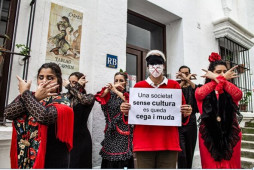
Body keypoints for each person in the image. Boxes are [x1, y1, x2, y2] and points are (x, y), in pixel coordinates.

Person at [120, 50, 192, 169]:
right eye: (152, 63)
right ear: (147, 67)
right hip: (144, 143)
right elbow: (131, 116)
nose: (155, 67)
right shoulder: (138, 87)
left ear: (163, 66)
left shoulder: (174, 86)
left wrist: (186, 112)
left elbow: (182, 115)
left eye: (159, 63)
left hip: (168, 142)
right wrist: (126, 111)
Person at [4, 62, 74, 169]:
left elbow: (44, 116)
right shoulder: (31, 97)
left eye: (50, 78)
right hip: (25, 157)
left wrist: (25, 94)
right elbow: (8, 113)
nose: (44, 81)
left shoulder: (62, 101)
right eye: (41, 77)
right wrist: (34, 97)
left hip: (51, 159)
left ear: (58, 81)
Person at [195, 52, 242, 169]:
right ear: (210, 74)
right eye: (218, 72)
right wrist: (219, 79)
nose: (223, 74)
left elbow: (238, 95)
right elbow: (199, 94)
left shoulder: (231, 90)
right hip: (208, 136)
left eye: (224, 72)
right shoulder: (203, 90)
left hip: (231, 135)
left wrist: (220, 79)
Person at [95, 72, 134, 169]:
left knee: (122, 158)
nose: (118, 82)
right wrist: (109, 88)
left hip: (123, 131)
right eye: (116, 80)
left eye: (121, 80)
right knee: (109, 157)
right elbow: (99, 97)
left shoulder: (128, 94)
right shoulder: (110, 95)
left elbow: (129, 102)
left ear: (126, 82)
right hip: (110, 132)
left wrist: (116, 91)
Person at [63, 72, 95, 168]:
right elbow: (65, 101)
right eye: (70, 82)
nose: (72, 84)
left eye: (74, 82)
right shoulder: (65, 97)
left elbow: (84, 100)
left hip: (81, 137)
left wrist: (70, 87)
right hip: (66, 137)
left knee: (79, 164)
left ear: (82, 83)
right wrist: (73, 88)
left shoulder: (89, 96)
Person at [176, 66, 199, 168]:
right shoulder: (176, 85)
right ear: (179, 74)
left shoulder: (193, 86)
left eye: (186, 73)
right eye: (182, 73)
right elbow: (173, 92)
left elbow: (198, 91)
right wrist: (183, 80)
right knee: (181, 153)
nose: (184, 75)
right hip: (178, 122)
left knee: (190, 150)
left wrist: (188, 80)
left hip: (191, 122)